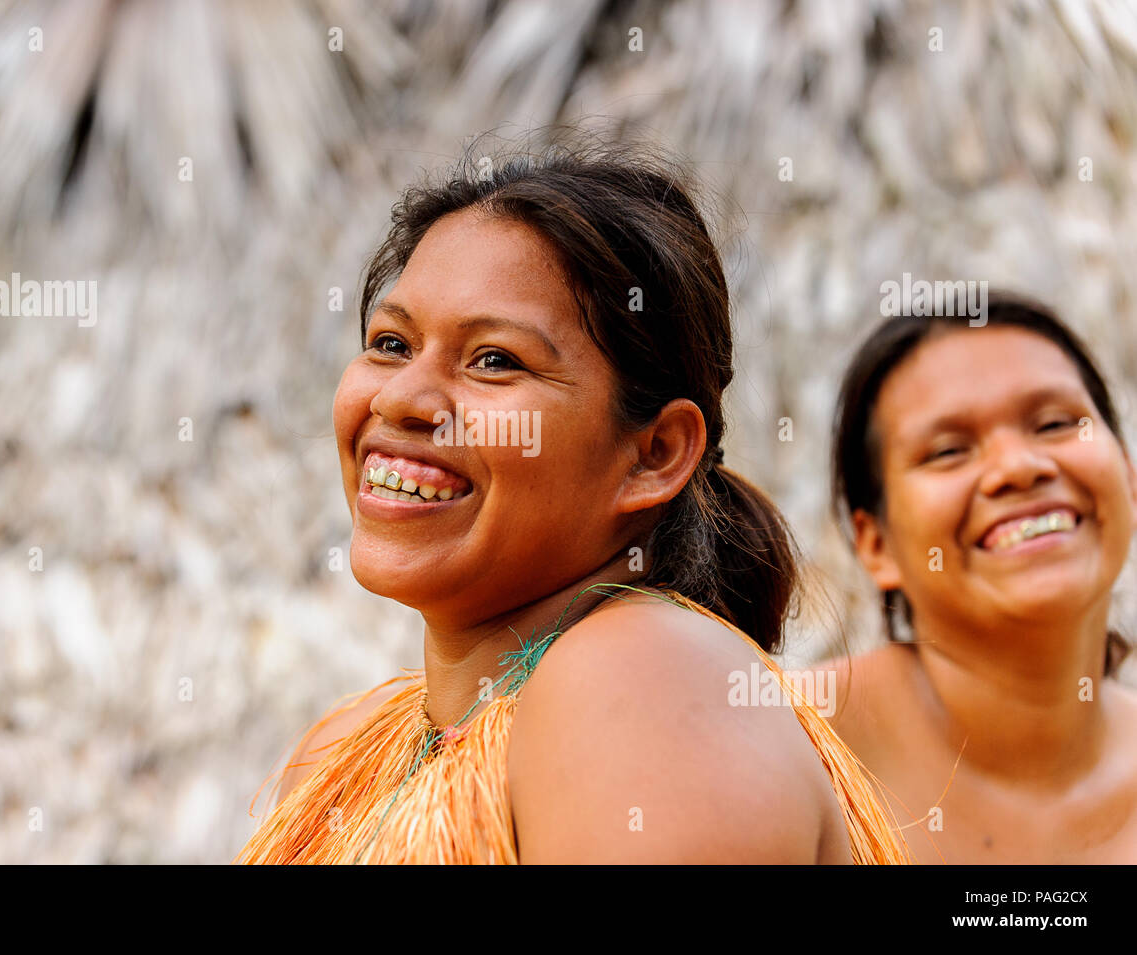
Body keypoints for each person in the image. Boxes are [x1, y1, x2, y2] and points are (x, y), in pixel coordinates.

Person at [237, 138, 908, 864]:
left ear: (654, 455)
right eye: (392, 344)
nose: (400, 398)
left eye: (495, 360)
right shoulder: (346, 750)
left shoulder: (645, 685)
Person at [822, 294, 1137, 862]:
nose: (1019, 468)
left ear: (1129, 477)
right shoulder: (798, 744)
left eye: (1055, 423)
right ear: (876, 545)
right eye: (948, 451)